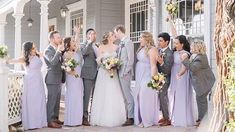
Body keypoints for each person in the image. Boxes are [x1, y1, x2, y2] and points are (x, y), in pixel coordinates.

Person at [7, 42, 47, 130]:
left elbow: (45, 57)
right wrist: (4, 59)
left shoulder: (37, 55)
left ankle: (39, 122)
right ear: (28, 50)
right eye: (33, 48)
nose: (35, 49)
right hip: (30, 81)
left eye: (35, 47)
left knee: (39, 100)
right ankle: (31, 123)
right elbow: (11, 61)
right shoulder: (24, 59)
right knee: (31, 101)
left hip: (38, 81)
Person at [90, 32, 126, 127]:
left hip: (113, 73)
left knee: (113, 93)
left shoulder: (117, 47)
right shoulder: (101, 47)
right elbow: (98, 60)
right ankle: (101, 117)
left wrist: (114, 65)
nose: (114, 36)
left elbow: (119, 60)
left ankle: (115, 117)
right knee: (103, 93)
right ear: (108, 37)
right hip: (103, 73)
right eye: (112, 35)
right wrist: (105, 66)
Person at [181, 39, 215, 126]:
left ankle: (203, 121)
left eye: (192, 46)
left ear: (197, 48)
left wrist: (184, 59)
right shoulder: (197, 56)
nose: (191, 47)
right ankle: (202, 119)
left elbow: (193, 68)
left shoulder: (200, 58)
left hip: (204, 83)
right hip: (203, 82)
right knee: (200, 100)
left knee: (201, 100)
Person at [134, 32, 160, 128]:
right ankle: (141, 119)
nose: (139, 39)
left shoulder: (152, 49)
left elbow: (153, 66)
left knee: (145, 97)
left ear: (147, 39)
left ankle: (147, 120)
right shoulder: (141, 49)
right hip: (139, 76)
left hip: (147, 76)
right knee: (139, 97)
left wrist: (154, 80)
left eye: (141, 38)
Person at [168, 35, 195, 127]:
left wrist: (179, 74)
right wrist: (171, 21)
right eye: (174, 43)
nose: (174, 45)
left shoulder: (185, 54)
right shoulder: (175, 52)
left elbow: (185, 66)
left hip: (181, 77)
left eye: (176, 43)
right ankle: (174, 118)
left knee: (180, 96)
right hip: (174, 76)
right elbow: (175, 33)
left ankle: (181, 119)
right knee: (173, 96)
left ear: (182, 44)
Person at [113, 25, 135, 126]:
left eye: (115, 32)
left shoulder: (128, 42)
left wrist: (125, 72)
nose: (115, 34)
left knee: (128, 95)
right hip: (120, 72)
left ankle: (131, 117)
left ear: (119, 31)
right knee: (124, 96)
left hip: (125, 73)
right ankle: (127, 115)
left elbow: (131, 59)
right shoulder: (121, 43)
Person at [63, 26, 84, 126]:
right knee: (73, 96)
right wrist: (74, 74)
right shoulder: (67, 54)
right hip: (72, 77)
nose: (74, 42)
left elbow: (77, 42)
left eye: (74, 41)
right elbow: (67, 68)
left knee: (78, 96)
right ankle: (71, 120)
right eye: (72, 41)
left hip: (78, 77)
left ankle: (77, 120)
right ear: (68, 44)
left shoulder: (75, 51)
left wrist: (77, 33)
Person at [44, 31, 64, 128]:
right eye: (58, 37)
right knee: (52, 100)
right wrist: (58, 51)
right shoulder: (48, 50)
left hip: (59, 78)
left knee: (57, 100)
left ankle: (55, 118)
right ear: (52, 39)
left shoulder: (58, 49)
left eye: (60, 37)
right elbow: (53, 62)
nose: (60, 39)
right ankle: (50, 121)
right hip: (52, 78)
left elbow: (60, 63)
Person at [80, 28, 98, 126]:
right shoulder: (84, 45)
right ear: (87, 36)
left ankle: (93, 115)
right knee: (86, 96)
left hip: (98, 74)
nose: (94, 35)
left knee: (94, 97)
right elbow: (84, 53)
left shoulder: (97, 46)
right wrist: (90, 42)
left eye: (95, 34)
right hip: (88, 74)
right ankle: (84, 117)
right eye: (92, 34)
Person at [156, 32, 174, 126]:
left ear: (167, 42)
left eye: (161, 41)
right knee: (160, 98)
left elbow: (167, 70)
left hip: (165, 79)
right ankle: (163, 116)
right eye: (158, 40)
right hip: (157, 78)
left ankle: (167, 119)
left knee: (163, 97)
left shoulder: (170, 53)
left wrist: (162, 62)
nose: (158, 42)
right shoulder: (158, 50)